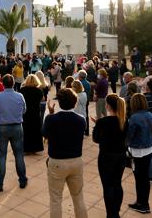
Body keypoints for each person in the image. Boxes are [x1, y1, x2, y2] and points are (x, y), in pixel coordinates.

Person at [42, 88, 87, 218]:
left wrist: (50, 113)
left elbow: (44, 133)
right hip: (76, 161)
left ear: (60, 102)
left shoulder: (52, 119)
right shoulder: (81, 119)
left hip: (57, 162)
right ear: (74, 102)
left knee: (56, 199)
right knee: (78, 197)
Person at [0, 74, 27, 191]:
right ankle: (22, 180)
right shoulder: (19, 95)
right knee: (19, 154)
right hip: (17, 127)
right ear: (13, 83)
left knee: (1, 156)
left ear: (3, 84)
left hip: (2, 127)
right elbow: (24, 110)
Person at [93, 94, 127, 218]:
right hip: (121, 156)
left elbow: (96, 139)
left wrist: (97, 125)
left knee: (108, 186)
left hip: (106, 157)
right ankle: (116, 211)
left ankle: (111, 214)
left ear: (108, 106)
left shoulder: (103, 122)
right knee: (117, 183)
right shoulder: (124, 120)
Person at [127, 93, 152, 214]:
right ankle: (142, 202)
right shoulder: (150, 115)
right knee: (144, 179)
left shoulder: (134, 118)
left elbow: (129, 136)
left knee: (140, 179)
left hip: (138, 151)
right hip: (148, 149)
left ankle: (142, 204)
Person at [19, 74, 44, 153]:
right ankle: (35, 148)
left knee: (26, 130)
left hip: (25, 113)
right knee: (35, 130)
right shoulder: (38, 91)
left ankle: (26, 148)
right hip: (35, 113)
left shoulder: (22, 90)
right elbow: (42, 99)